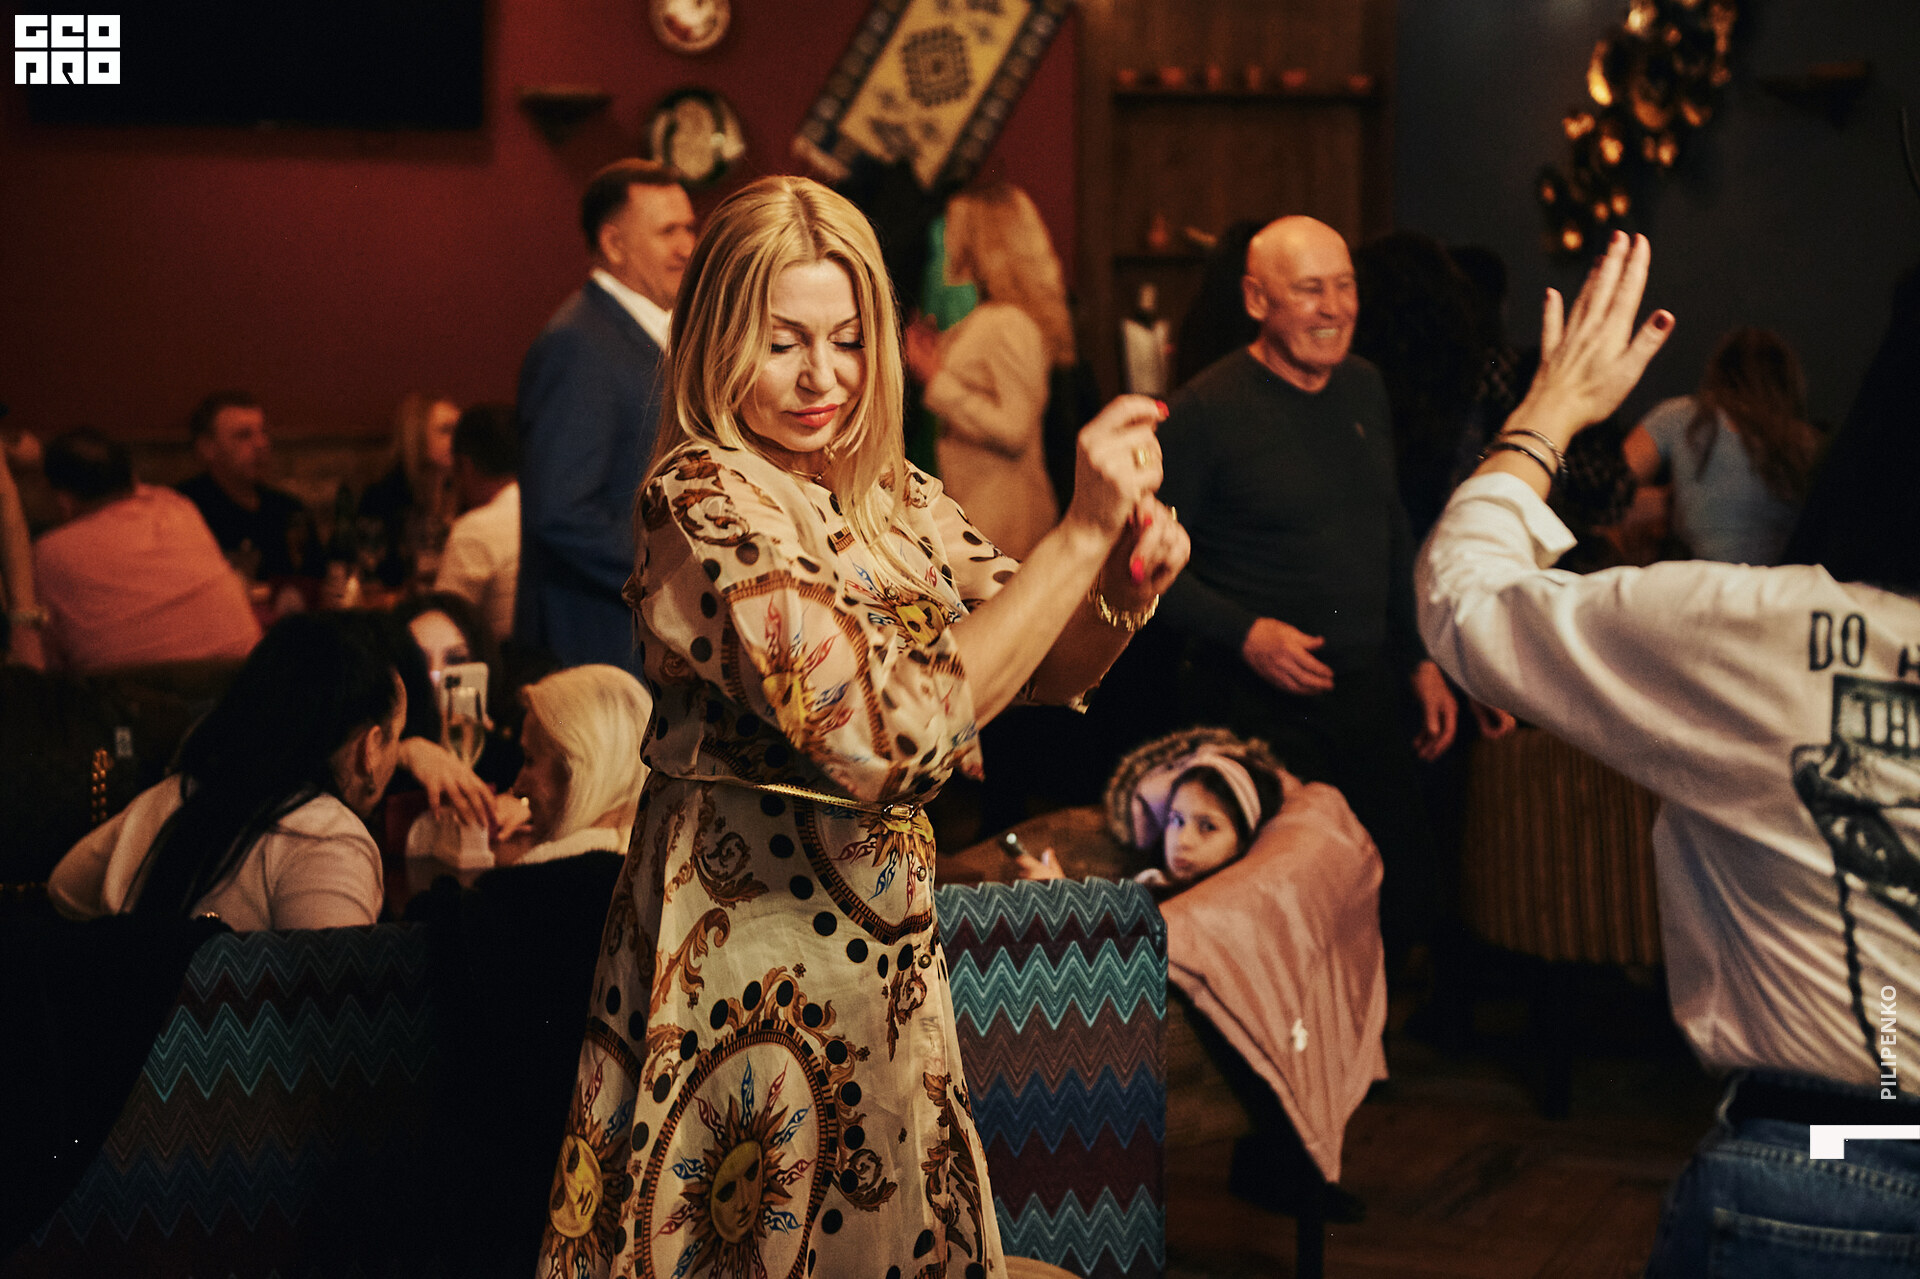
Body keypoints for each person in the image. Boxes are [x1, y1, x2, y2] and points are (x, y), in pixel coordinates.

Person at [536, 174, 1187, 1279]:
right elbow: (887, 736)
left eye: (845, 340)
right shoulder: (702, 497)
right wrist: (1078, 538)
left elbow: (1032, 667)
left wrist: (1120, 586)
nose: (822, 376)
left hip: (885, 962)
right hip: (742, 965)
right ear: (717, 340)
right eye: (782, 341)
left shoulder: (895, 495)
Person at [1417, 231, 1920, 1274]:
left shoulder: (1763, 626)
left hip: (1836, 1153)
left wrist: (1550, 411)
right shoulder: (1785, 466)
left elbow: (1468, 595)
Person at [1157, 214, 1457, 966]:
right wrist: (1246, 634)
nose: (1335, 308)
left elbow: (1389, 528)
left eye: (1345, 286)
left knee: (1403, 898)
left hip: (1365, 692)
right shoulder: (1204, 411)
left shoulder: (1364, 387)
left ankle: (1357, 1035)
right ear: (1256, 300)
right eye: (1310, 290)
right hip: (1256, 708)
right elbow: (1141, 573)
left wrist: (1420, 657)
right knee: (1275, 922)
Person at [47, 611, 408, 930]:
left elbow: (63, 887)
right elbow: (335, 985)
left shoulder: (173, 797)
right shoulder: (328, 842)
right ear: (371, 747)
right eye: (398, 737)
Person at [515, 159, 697, 675]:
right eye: (668, 231)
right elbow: (562, 510)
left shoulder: (650, 334)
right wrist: (683, 569)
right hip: (596, 647)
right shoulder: (578, 344)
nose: (687, 246)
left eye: (689, 228)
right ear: (614, 244)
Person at [904, 181, 1068, 560]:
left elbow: (1014, 428)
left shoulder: (1009, 322)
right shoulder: (991, 315)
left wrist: (935, 378)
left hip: (1005, 520)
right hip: (983, 511)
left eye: (955, 227)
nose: (947, 240)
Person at [33, 427, 260, 674]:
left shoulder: (50, 553)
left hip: (130, 696)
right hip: (248, 682)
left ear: (63, 500)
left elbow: (42, 660)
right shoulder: (178, 507)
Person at [1622, 326, 1821, 565]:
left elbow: (1610, 487)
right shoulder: (1808, 442)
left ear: (1717, 372)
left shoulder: (1682, 416)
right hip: (1788, 581)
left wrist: (1672, 501)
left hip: (1709, 576)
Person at [500, 664, 650, 865]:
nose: (518, 787)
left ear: (575, 767)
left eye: (530, 760)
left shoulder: (542, 870)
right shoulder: (667, 856)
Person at [175, 391, 313, 579]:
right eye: (243, 435)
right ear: (208, 448)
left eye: (263, 432)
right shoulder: (183, 511)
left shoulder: (289, 511)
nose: (261, 444)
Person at [357, 392, 460, 588]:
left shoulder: (468, 494)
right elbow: (372, 572)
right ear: (417, 436)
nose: (458, 440)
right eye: (446, 430)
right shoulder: (383, 497)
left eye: (460, 431)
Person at [434, 403, 519, 640]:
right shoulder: (551, 514)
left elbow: (442, 627)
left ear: (465, 465)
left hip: (504, 661)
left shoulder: (475, 529)